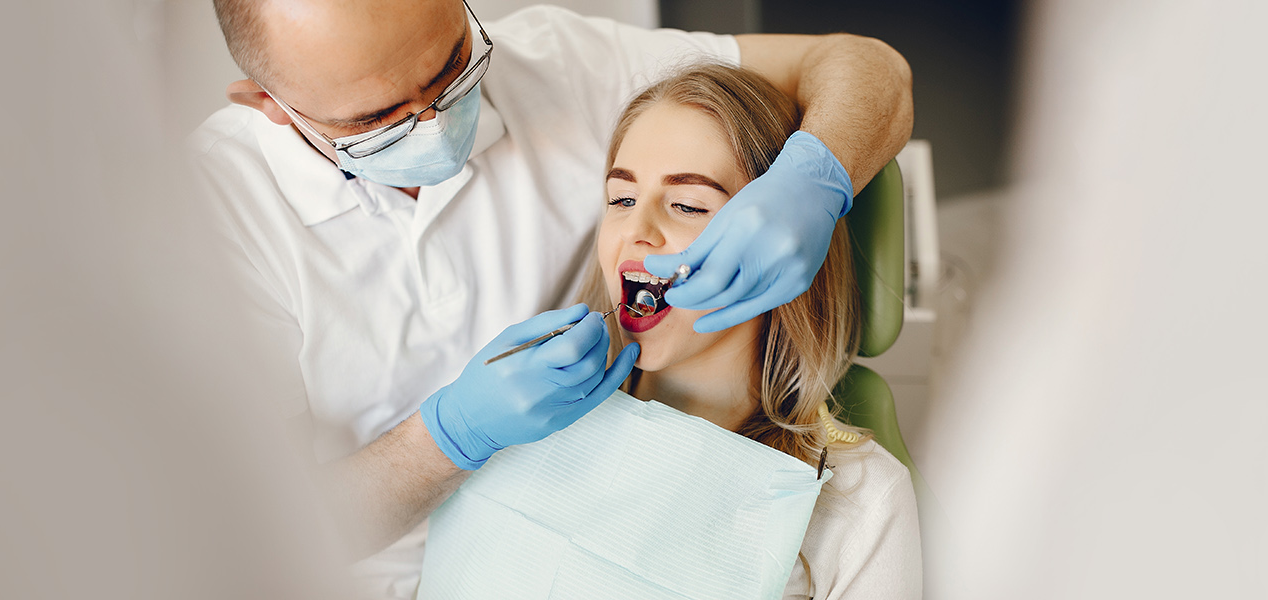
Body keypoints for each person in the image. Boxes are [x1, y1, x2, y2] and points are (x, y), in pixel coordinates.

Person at [189, 0, 912, 596]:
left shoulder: (856, 505)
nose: (439, 125)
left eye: (450, 69)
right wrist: (447, 439)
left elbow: (868, 68)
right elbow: (253, 538)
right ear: (270, 106)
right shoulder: (209, 215)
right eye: (379, 119)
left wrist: (817, 176)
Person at [576, 62, 921, 599]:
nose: (635, 232)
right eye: (621, 199)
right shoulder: (543, 421)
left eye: (688, 205)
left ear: (781, 246)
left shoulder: (858, 498)